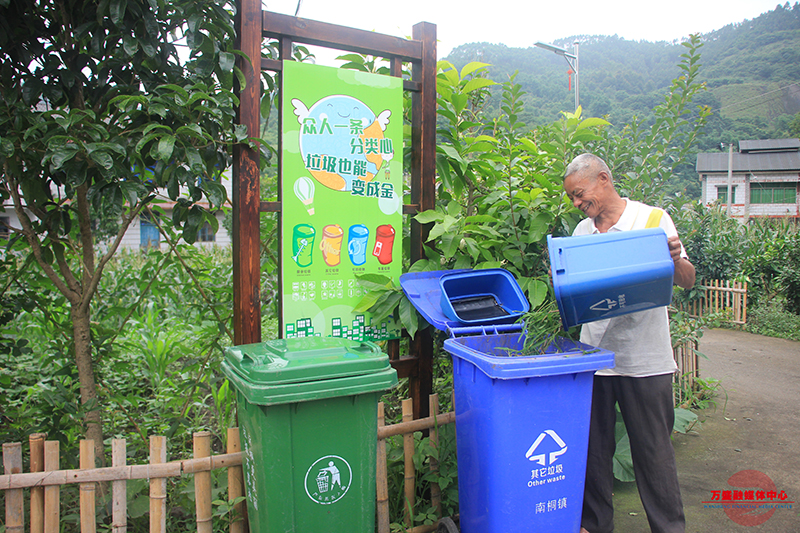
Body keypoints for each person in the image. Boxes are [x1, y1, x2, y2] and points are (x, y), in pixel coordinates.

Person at [562, 153, 695, 533]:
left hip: (645, 360)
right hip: (595, 359)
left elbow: (686, 279)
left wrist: (675, 261)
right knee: (594, 453)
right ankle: (595, 526)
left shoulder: (652, 220)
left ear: (603, 179)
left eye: (580, 194)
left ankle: (669, 528)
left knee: (654, 454)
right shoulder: (581, 235)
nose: (577, 204)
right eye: (572, 198)